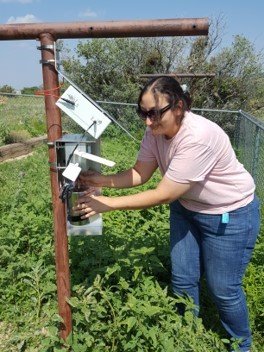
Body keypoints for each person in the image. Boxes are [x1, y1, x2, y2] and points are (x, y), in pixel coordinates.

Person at [74, 76, 260, 352]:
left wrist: (108, 205)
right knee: (183, 278)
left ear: (179, 106)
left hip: (228, 215)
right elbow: (141, 173)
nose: (148, 122)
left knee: (223, 289)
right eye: (143, 113)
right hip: (187, 208)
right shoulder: (155, 132)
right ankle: (187, 336)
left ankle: (242, 346)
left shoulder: (198, 137)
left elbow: (164, 193)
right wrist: (100, 181)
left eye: (154, 113)